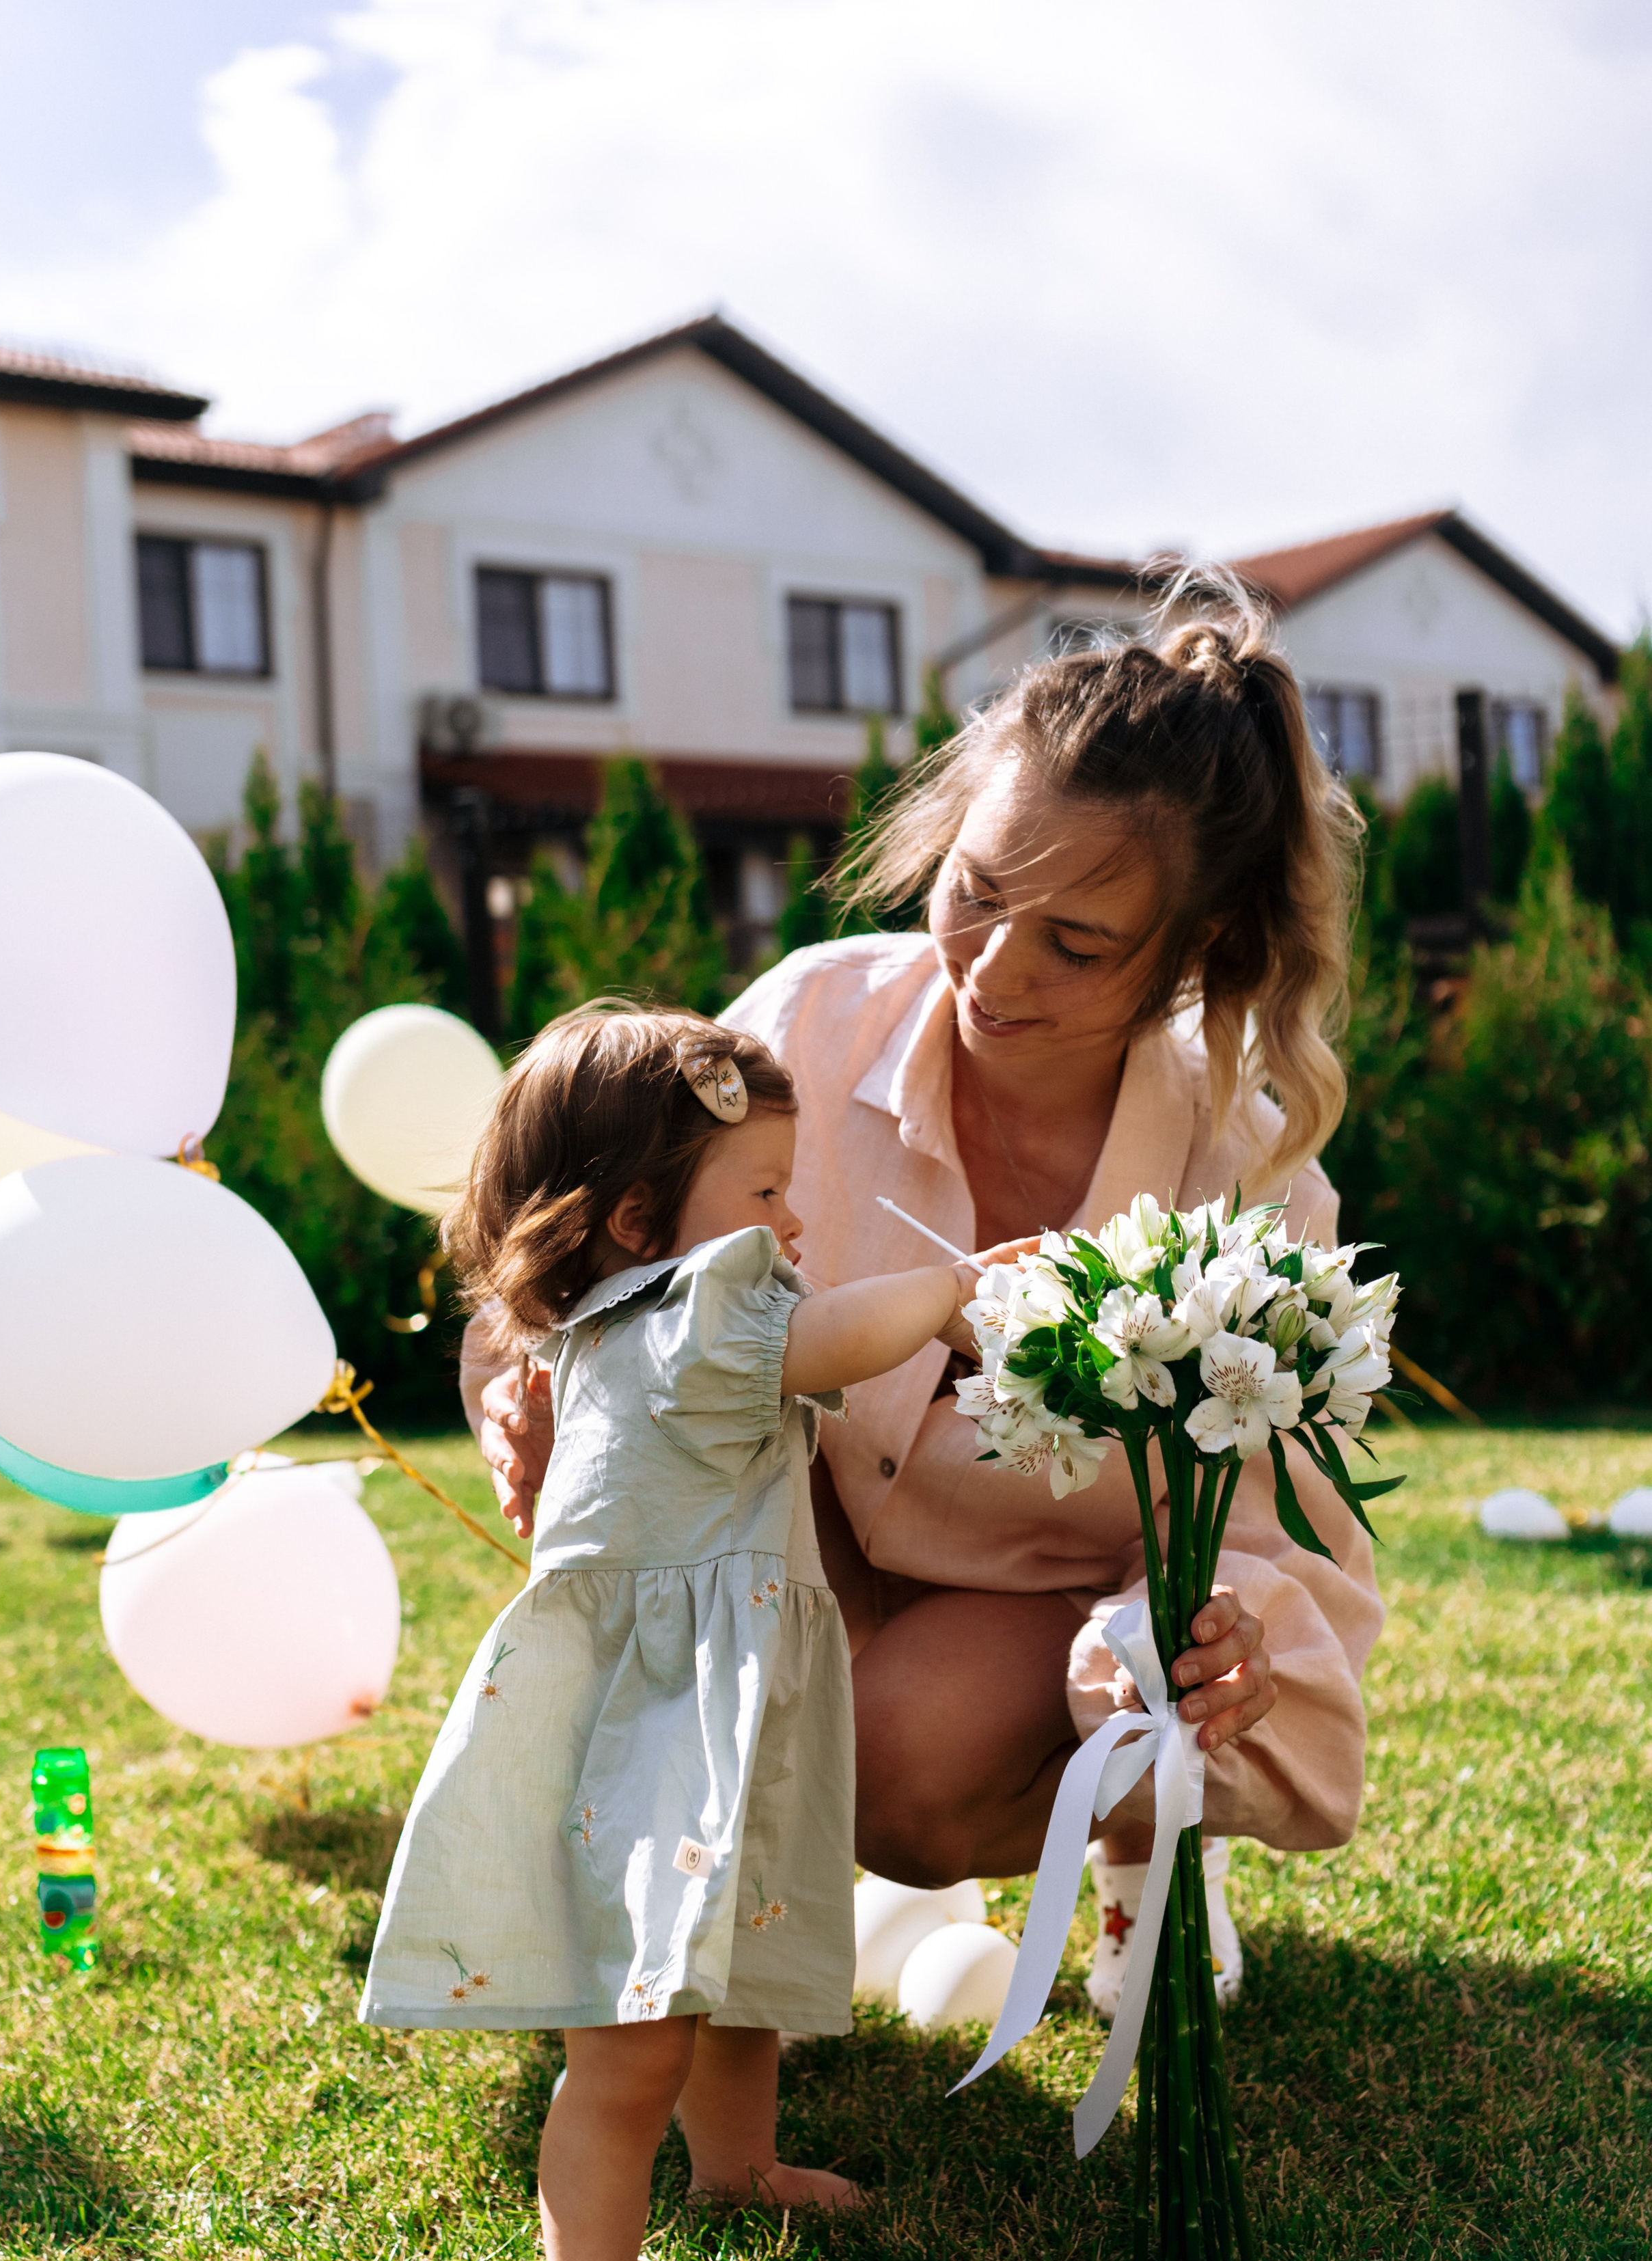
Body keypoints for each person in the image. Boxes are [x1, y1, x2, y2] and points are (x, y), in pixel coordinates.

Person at [468, 574, 1386, 2018]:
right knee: (748, 1720)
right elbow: (597, 1267)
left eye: (1075, 945)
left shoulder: (1242, 1160)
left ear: (1198, 954)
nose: (991, 971)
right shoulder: (809, 1023)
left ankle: (1146, 1827)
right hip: (808, 1520)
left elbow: (1270, 1522)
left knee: (893, 1774)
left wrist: (1194, 1649)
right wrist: (540, 1404)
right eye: (974, 891)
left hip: (1062, 1590)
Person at [361, 1003, 1021, 2261]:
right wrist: (951, 1291)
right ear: (637, 1220)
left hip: (713, 1712)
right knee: (630, 2039)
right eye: (768, 1191)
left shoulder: (642, 1320)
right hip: (656, 1733)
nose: (793, 1220)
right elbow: (836, 1338)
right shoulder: (693, 1309)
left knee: (737, 1975)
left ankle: (736, 2168)